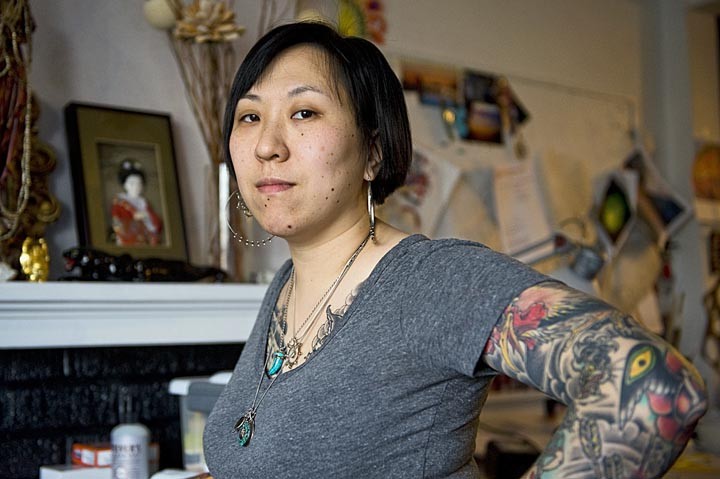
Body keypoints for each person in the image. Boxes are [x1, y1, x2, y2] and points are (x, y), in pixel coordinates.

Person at [203, 21, 708, 478]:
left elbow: (650, 388)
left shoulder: (429, 280)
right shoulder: (285, 289)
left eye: (304, 112)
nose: (266, 145)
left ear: (373, 153)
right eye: (249, 116)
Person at [110, 159, 163, 246]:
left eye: (139, 183)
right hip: (129, 242)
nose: (136, 187)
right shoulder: (119, 203)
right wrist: (135, 219)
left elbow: (157, 226)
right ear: (125, 185)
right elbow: (117, 225)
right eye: (132, 183)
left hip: (146, 242)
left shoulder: (144, 203)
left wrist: (147, 216)